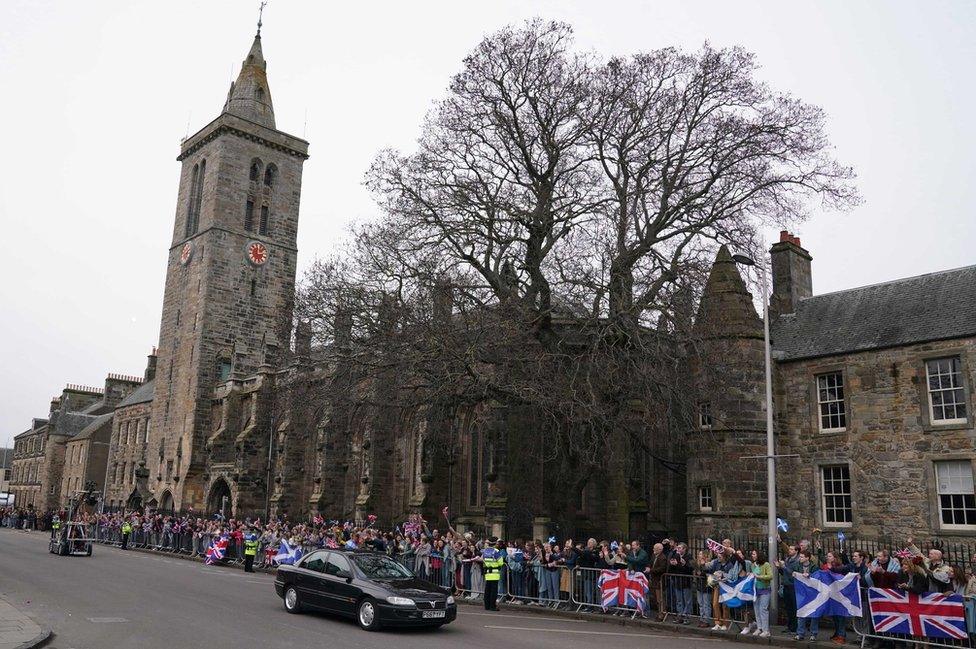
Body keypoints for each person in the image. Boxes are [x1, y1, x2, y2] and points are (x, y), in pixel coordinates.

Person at [795, 550, 821, 641]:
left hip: (812, 594)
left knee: (814, 614)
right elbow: (793, 572)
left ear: (807, 558)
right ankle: (800, 633)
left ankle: (813, 633)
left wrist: (809, 575)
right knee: (801, 613)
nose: (800, 558)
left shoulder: (814, 567)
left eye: (802, 557)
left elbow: (817, 577)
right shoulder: (798, 566)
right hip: (802, 593)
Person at [751, 549, 773, 638]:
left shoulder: (766, 564)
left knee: (763, 609)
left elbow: (770, 576)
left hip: (765, 590)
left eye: (754, 554)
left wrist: (759, 576)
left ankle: (766, 630)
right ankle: (759, 628)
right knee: (756, 609)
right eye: (752, 554)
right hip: (755, 590)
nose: (752, 555)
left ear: (758, 555)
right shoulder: (753, 565)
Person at [482, 537, 504, 611]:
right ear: (495, 543)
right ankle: (492, 606)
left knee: (487, 590)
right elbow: (500, 562)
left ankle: (486, 606)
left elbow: (484, 560)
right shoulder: (496, 551)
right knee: (493, 591)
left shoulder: (485, 551)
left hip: (488, 573)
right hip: (495, 573)